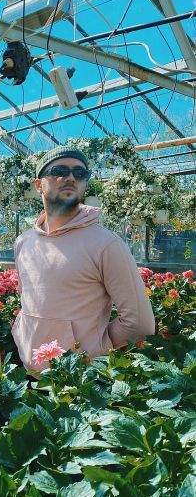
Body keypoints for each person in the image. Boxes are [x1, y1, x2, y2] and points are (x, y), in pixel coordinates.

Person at [12, 145, 155, 374]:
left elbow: (140, 323)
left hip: (81, 381)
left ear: (85, 185)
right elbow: (27, 299)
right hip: (30, 371)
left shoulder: (106, 244)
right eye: (60, 170)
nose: (70, 177)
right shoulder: (24, 242)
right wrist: (21, 330)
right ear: (38, 185)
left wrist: (98, 346)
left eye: (79, 173)